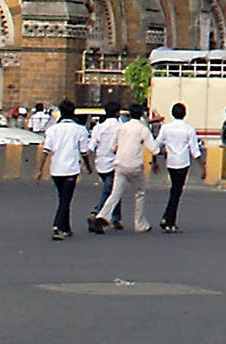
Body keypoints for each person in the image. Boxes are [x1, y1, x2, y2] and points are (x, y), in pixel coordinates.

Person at [98, 107, 158, 234]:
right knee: (140, 193)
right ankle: (140, 224)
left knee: (115, 193)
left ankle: (103, 216)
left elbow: (112, 148)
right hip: (135, 166)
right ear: (141, 115)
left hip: (120, 165)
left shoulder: (121, 127)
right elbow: (154, 149)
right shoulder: (142, 129)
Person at [42, 101, 89, 240]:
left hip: (56, 169)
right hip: (71, 169)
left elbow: (46, 151)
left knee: (63, 198)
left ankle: (66, 227)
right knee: (66, 200)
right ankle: (57, 225)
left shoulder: (52, 130)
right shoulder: (80, 130)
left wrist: (39, 170)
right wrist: (89, 166)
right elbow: (84, 151)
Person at [157, 102, 201, 234]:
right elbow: (195, 150)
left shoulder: (166, 128)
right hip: (183, 162)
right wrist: (203, 166)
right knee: (176, 192)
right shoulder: (189, 129)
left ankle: (167, 218)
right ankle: (169, 221)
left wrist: (155, 161)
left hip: (171, 162)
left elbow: (157, 144)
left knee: (174, 191)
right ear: (185, 114)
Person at [85, 104, 123, 232]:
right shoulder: (120, 128)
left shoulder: (99, 128)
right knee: (111, 191)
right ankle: (96, 212)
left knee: (115, 189)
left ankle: (116, 218)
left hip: (100, 162)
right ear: (118, 113)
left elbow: (91, 147)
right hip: (115, 162)